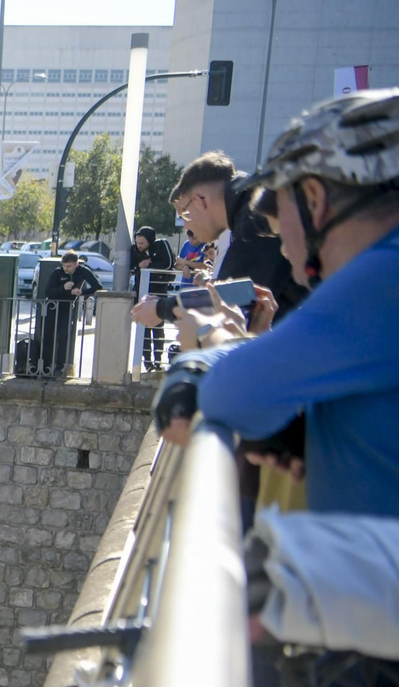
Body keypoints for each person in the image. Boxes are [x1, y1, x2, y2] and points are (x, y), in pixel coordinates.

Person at [152, 87, 399, 519]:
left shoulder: (382, 277)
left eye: (280, 218)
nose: (281, 246)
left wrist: (211, 341)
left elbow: (230, 392)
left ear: (316, 202)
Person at [162, 149, 307, 318]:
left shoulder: (254, 215)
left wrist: (162, 309)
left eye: (185, 215)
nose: (186, 224)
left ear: (200, 200)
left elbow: (231, 298)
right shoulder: (247, 206)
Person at [34, 252, 102, 378]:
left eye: (69, 266)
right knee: (48, 337)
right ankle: (45, 367)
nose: (66, 269)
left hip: (67, 309)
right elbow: (48, 291)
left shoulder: (83, 271)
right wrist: (63, 288)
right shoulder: (57, 273)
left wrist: (81, 292)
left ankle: (60, 367)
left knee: (64, 337)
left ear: (76, 264)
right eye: (64, 266)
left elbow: (97, 286)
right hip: (52, 307)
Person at [131, 225, 175, 369]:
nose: (139, 246)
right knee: (143, 329)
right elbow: (131, 268)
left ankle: (158, 360)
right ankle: (147, 362)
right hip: (142, 293)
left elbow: (168, 263)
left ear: (149, 240)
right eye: (137, 243)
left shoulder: (161, 245)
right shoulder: (134, 250)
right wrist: (140, 266)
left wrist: (150, 267)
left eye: (142, 243)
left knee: (158, 328)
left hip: (158, 293)